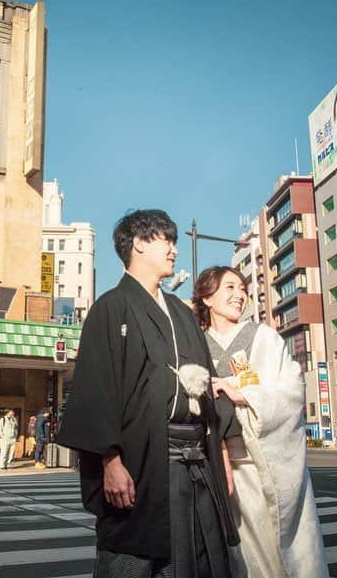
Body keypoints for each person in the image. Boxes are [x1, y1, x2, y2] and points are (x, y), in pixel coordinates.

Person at [57, 209, 239, 577]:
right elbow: (96, 390)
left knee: (201, 557)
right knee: (135, 558)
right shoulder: (111, 307)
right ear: (138, 243)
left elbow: (207, 391)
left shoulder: (182, 313)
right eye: (165, 240)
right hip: (141, 459)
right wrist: (110, 462)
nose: (173, 249)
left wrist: (221, 458)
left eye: (174, 241)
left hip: (196, 461)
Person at [195, 265, 327, 577]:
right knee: (235, 553)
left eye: (242, 289)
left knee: (275, 549)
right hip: (217, 463)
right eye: (229, 288)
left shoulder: (264, 338)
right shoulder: (196, 344)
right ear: (207, 298)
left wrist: (244, 395)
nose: (239, 295)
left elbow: (291, 390)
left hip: (262, 462)